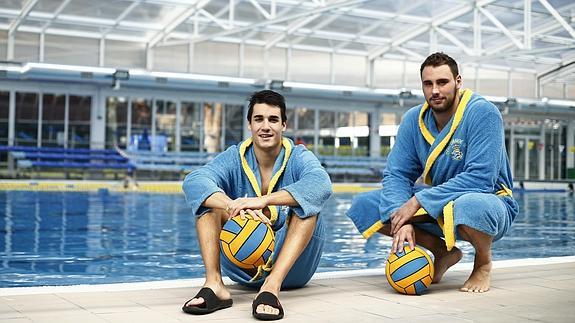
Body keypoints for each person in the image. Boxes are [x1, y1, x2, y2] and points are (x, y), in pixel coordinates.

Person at [347, 52, 518, 293]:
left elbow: (481, 178)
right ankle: (442, 252)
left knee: (470, 204)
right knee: (366, 205)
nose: (435, 91)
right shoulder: (413, 120)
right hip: (440, 205)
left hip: (489, 203)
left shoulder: (483, 113)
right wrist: (401, 216)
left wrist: (417, 201)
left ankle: (483, 263)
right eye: (428, 84)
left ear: (458, 81)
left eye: (442, 82)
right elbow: (397, 175)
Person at [181, 90, 332, 320]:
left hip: (294, 270)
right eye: (258, 119)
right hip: (243, 266)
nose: (266, 126)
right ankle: (215, 285)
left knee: (307, 207)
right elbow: (194, 181)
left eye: (273, 120)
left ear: (284, 125)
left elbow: (321, 184)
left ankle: (271, 287)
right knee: (208, 201)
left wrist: (264, 200)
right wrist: (233, 205)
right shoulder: (234, 157)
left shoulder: (298, 157)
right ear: (249, 124)